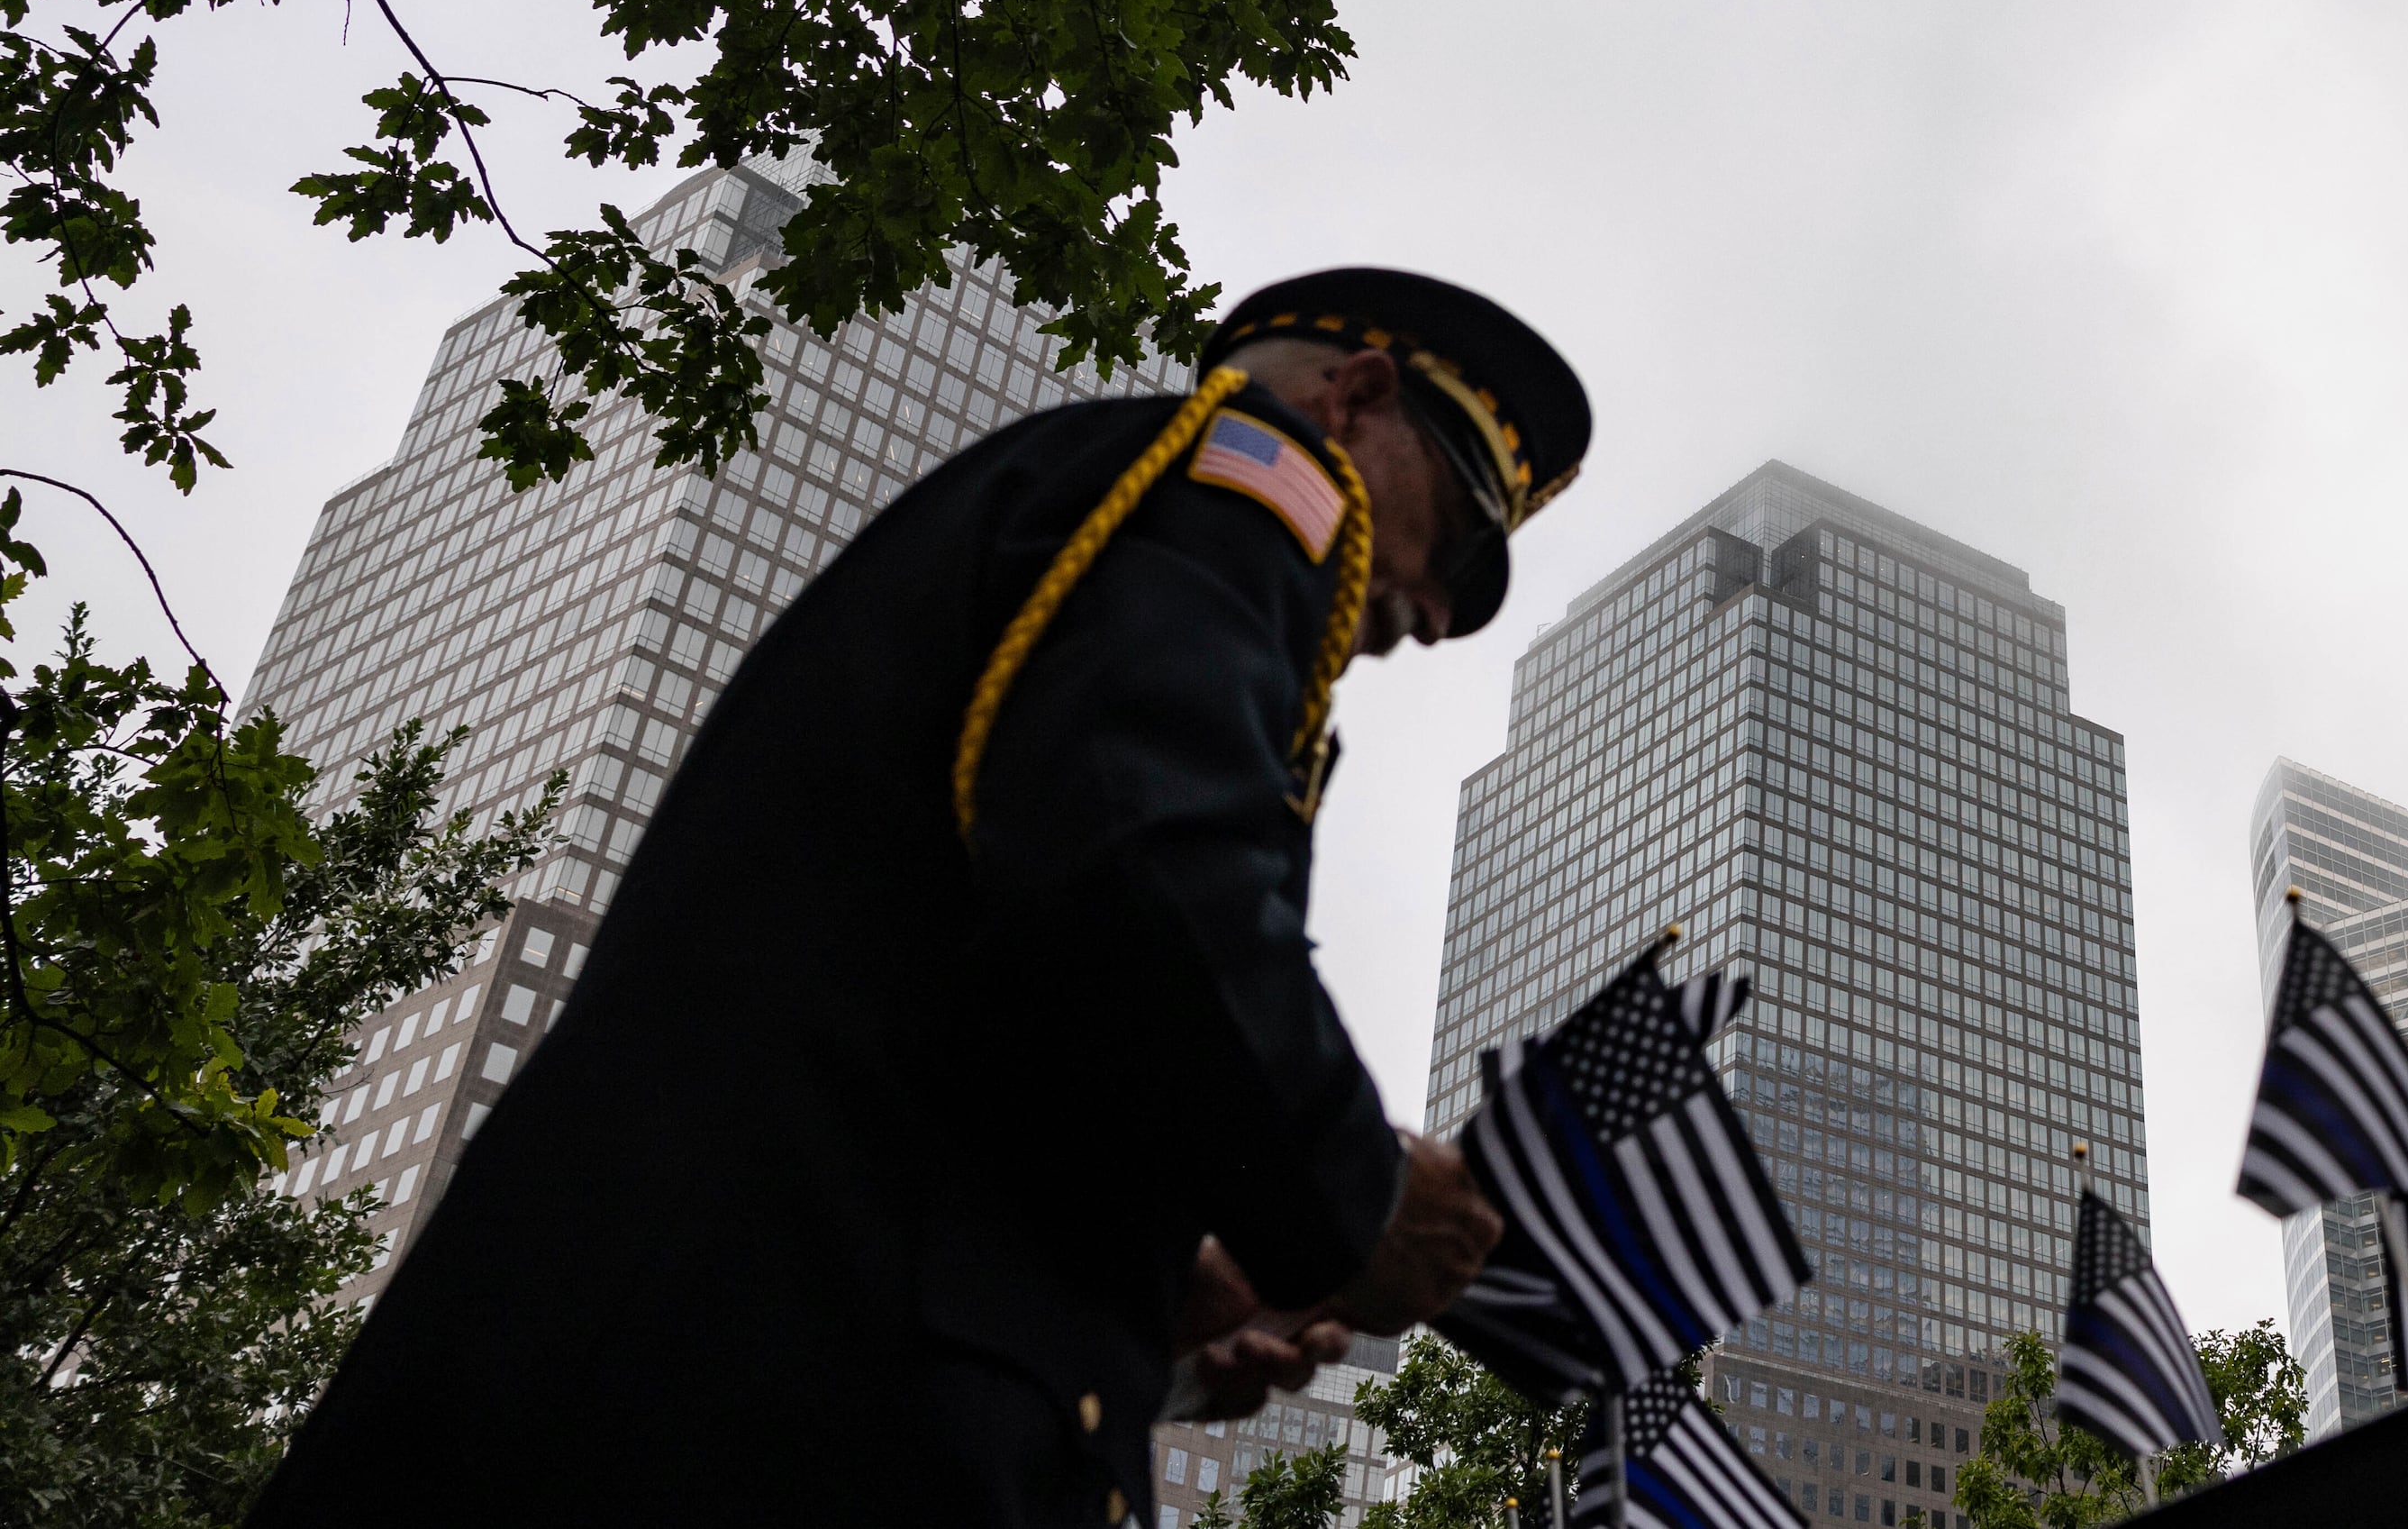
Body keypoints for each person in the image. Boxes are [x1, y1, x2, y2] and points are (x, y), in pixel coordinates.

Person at [251, 269, 1589, 1527]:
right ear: (1350, 397)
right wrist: (1352, 1192)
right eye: (1454, 529)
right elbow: (1136, 864)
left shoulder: (1111, 513)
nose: (1430, 608)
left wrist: (1151, 1273)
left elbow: (979, 962)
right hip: (766, 1391)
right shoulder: (1245, 483)